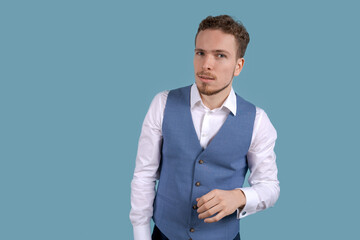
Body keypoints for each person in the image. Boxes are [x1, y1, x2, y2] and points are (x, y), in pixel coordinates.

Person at [130, 15, 279, 240]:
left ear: (238, 65)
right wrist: (141, 236)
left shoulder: (258, 120)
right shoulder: (162, 103)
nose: (206, 64)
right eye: (200, 53)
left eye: (220, 55)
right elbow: (144, 175)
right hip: (165, 234)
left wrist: (239, 197)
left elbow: (269, 187)